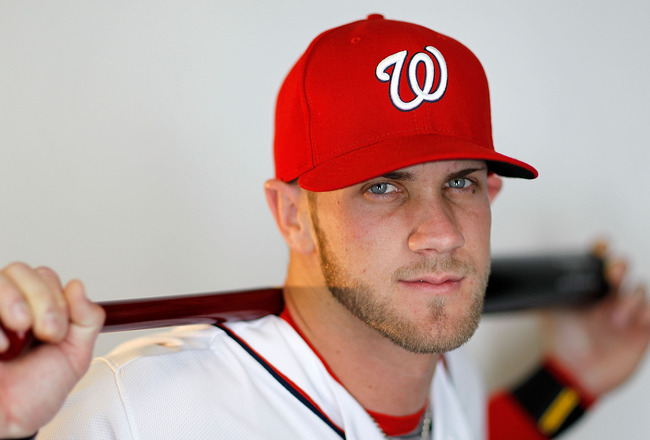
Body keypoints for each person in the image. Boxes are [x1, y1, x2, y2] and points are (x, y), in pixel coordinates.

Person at [1, 14, 649, 440]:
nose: (442, 233)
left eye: (460, 182)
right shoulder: (144, 410)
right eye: (383, 186)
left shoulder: (450, 376)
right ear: (292, 214)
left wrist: (575, 376)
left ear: (492, 193)